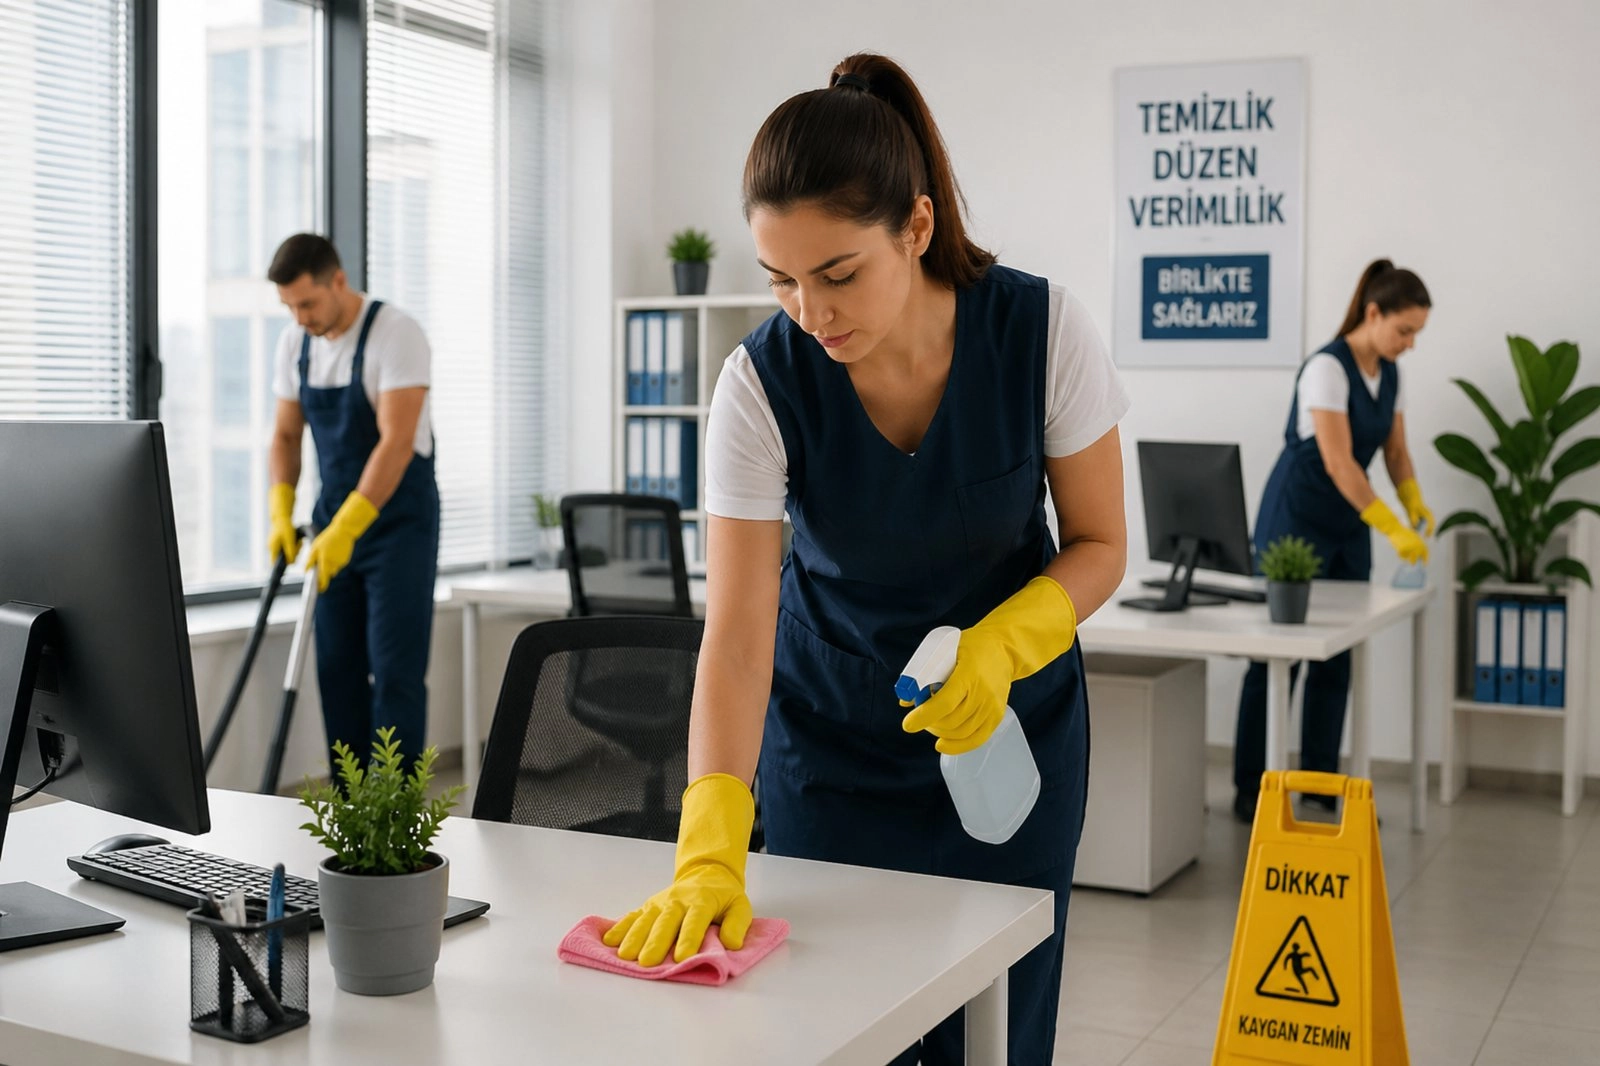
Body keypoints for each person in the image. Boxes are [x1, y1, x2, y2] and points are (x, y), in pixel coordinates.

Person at [602, 55, 1130, 1065]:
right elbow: (740, 633)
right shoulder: (758, 385)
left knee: (999, 1031)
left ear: (917, 229)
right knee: (843, 1032)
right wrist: (709, 840)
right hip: (831, 753)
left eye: (837, 273)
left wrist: (1001, 646)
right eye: (783, 280)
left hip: (1005, 742)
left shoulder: (1042, 331)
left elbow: (1102, 547)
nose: (811, 311)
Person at [1234, 259, 1432, 822]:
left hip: (1347, 526)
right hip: (1295, 521)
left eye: (1417, 333)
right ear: (1374, 313)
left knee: (1338, 655)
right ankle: (1252, 786)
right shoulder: (1328, 368)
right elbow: (1340, 462)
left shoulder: (1390, 373)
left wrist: (1412, 497)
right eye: (1404, 330)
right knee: (1275, 658)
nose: (1410, 343)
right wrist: (1392, 526)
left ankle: (1320, 780)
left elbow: (1394, 452)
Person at [266, 233, 440, 770]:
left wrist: (348, 528)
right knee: (336, 672)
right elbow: (286, 436)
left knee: (395, 675)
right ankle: (350, 815)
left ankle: (397, 816)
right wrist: (280, 509)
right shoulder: (296, 344)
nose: (300, 318)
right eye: (290, 306)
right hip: (330, 529)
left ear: (337, 281)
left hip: (398, 528)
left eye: (308, 303)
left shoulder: (396, 333)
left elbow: (397, 441)